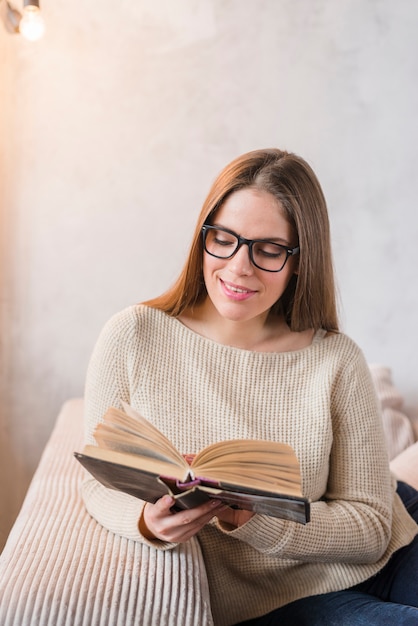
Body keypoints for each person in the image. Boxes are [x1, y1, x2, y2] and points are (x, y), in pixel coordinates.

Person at [82, 148, 418, 626]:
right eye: (224, 238)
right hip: (281, 601)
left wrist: (257, 520)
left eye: (268, 249)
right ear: (204, 238)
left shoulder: (335, 358)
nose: (239, 267)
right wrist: (146, 523)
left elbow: (371, 526)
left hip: (391, 547)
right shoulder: (133, 335)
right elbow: (97, 484)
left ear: (301, 261)